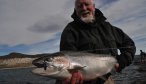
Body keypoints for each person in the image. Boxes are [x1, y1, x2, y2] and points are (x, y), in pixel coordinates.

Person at [57, 0, 136, 84]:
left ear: (94, 7)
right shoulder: (70, 30)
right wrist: (71, 74)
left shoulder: (108, 27)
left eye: (87, 4)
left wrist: (123, 60)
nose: (84, 8)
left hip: (107, 80)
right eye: (79, 6)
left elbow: (129, 45)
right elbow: (67, 57)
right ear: (75, 10)